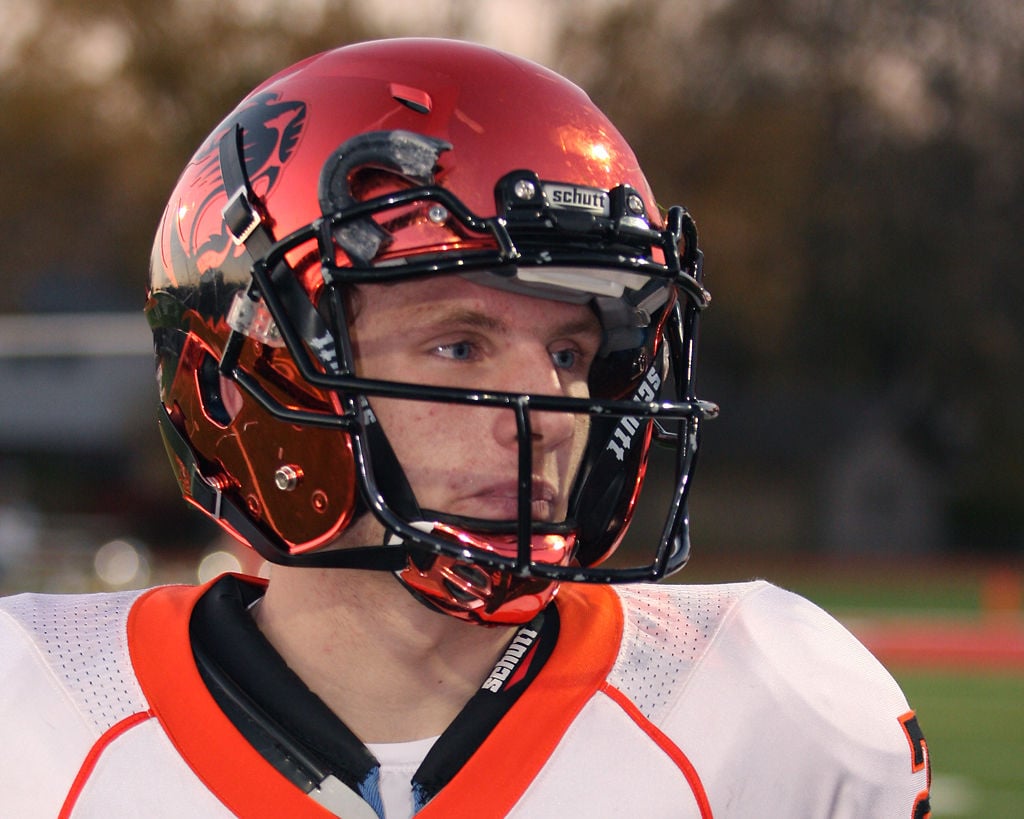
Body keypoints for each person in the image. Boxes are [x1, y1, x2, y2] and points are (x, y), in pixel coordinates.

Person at [0, 38, 930, 818]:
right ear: (241, 384)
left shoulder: (768, 707)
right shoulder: (35, 715)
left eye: (569, 353)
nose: (551, 411)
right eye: (458, 345)